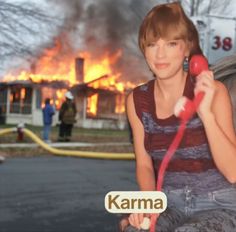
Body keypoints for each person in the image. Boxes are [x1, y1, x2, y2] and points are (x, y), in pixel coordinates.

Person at [123, 2, 236, 232]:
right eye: (153, 44)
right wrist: (148, 204)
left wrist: (206, 115)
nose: (160, 54)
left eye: (171, 43)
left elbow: (233, 172)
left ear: (186, 49)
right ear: (144, 49)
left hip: (218, 203)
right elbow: (144, 165)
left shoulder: (213, 91)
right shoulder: (136, 100)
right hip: (168, 204)